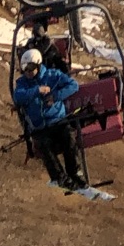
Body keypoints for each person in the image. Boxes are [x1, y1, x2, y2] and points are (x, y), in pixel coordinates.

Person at [11, 46, 90, 192]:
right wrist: (37, 90)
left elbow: (73, 85)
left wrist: (56, 96)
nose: (28, 72)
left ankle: (75, 174)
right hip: (40, 126)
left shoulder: (52, 75)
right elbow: (18, 96)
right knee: (43, 145)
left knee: (68, 138)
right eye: (25, 69)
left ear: (39, 65)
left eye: (31, 68)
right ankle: (60, 178)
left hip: (57, 120)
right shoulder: (23, 83)